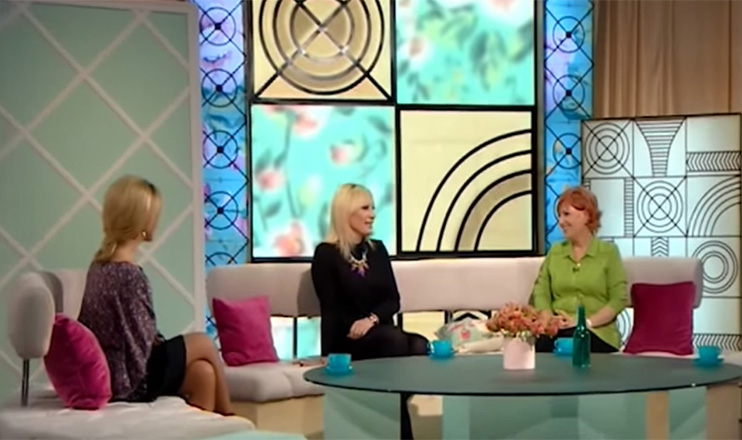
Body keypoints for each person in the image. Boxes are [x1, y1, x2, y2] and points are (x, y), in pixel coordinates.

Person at [78, 176, 233, 415]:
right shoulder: (130, 275)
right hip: (134, 377)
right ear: (141, 221)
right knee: (204, 342)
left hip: (115, 372)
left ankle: (208, 429)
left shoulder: (98, 267)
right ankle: (231, 416)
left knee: (203, 374)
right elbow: (144, 342)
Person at [311, 183, 428, 440]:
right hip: (350, 340)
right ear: (346, 212)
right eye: (365, 208)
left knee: (420, 345)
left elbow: (393, 300)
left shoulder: (377, 250)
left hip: (380, 333)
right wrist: (328, 354)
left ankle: (386, 411)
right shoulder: (326, 254)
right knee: (395, 340)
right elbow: (329, 307)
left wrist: (371, 320)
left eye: (373, 208)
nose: (372, 214)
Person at [532, 186, 627, 353]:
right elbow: (541, 292)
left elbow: (618, 299)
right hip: (557, 331)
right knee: (539, 345)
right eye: (559, 216)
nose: (561, 222)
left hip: (597, 332)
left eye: (566, 214)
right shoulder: (555, 252)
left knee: (572, 342)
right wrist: (549, 319)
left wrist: (584, 323)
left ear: (586, 215)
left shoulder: (608, 252)